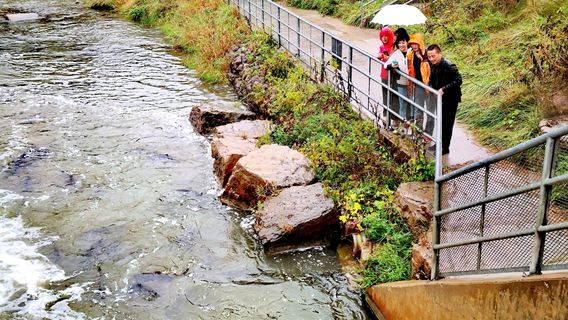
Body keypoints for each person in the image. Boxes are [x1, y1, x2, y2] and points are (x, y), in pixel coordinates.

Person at [427, 44, 462, 155]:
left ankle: (445, 148)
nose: (431, 59)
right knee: (441, 122)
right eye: (429, 57)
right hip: (440, 98)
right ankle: (439, 144)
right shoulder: (433, 65)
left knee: (447, 123)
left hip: (451, 99)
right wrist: (431, 88)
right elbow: (432, 80)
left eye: (433, 56)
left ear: (439, 54)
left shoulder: (449, 65)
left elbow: (458, 80)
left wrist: (444, 89)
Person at [384, 32, 411, 130]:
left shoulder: (412, 52)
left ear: (407, 42)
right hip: (402, 82)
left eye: (403, 42)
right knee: (402, 104)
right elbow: (386, 65)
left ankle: (412, 127)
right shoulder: (396, 54)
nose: (401, 45)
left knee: (412, 105)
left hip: (413, 83)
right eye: (399, 43)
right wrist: (392, 66)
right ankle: (402, 128)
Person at [407, 33, 432, 136]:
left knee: (430, 111)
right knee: (418, 108)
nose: (414, 46)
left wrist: (422, 59)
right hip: (417, 85)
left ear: (420, 43)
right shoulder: (411, 54)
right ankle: (418, 130)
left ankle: (428, 134)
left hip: (429, 86)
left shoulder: (427, 54)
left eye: (416, 44)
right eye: (412, 44)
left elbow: (431, 68)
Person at [377, 26, 395, 122]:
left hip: (392, 74)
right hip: (384, 73)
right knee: (385, 93)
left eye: (386, 36)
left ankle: (392, 115)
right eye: (382, 36)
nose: (384, 38)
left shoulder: (393, 46)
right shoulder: (382, 47)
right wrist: (380, 56)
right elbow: (378, 55)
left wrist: (389, 57)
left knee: (392, 94)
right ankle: (385, 113)